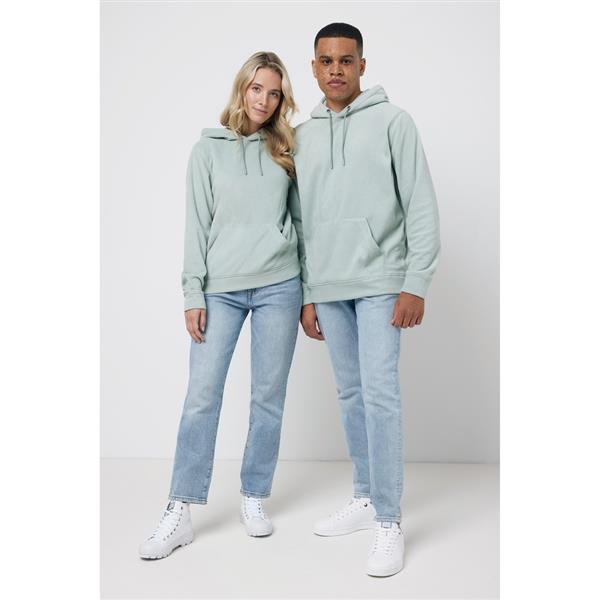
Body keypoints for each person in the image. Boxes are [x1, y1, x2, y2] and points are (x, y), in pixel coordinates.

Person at [289, 23, 441, 577]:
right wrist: (309, 293)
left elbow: (420, 204)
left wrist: (415, 282)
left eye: (346, 60)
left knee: (380, 395)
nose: (336, 70)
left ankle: (389, 520)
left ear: (362, 65)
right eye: (326, 61)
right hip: (330, 287)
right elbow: (301, 222)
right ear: (313, 67)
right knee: (351, 394)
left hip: (381, 282)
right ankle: (364, 494)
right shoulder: (301, 137)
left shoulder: (394, 123)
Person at [139, 51, 302, 560]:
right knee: (202, 396)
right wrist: (193, 292)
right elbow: (196, 224)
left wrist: (312, 290)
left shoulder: (286, 150)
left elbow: (302, 222)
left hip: (280, 285)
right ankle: (180, 509)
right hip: (221, 288)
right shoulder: (207, 150)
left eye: (274, 93)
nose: (264, 100)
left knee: (268, 397)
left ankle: (254, 495)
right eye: (257, 88)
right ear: (241, 88)